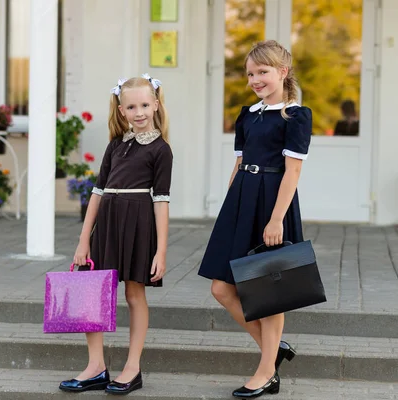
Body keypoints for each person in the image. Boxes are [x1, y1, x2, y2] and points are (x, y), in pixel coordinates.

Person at [198, 40, 312, 398]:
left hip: (272, 203)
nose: (255, 79)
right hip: (242, 202)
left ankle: (266, 372)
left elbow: (292, 172)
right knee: (221, 288)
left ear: (283, 72)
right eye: (250, 73)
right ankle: (274, 350)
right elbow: (238, 163)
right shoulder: (248, 114)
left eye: (262, 72)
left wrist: (276, 220)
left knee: (268, 292)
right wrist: (230, 208)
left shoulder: (296, 116)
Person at [59, 74, 173, 395]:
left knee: (134, 294)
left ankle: (132, 368)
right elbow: (96, 193)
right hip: (106, 225)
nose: (139, 112)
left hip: (138, 224)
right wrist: (84, 239)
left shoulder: (161, 150)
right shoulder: (115, 145)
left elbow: (162, 202)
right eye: (132, 106)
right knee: (91, 293)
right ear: (122, 110)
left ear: (156, 105)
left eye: (145, 105)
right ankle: (95, 366)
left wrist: (161, 250)